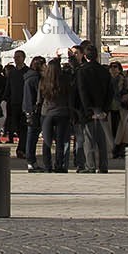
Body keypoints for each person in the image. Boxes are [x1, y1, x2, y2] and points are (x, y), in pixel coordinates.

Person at [74, 42, 111, 174]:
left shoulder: (82, 71)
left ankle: (90, 166)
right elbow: (110, 92)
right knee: (102, 140)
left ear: (85, 56)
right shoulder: (104, 71)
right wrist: (106, 110)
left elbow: (82, 92)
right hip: (101, 109)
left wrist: (87, 110)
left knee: (88, 139)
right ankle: (103, 165)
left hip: (88, 109)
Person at [39, 58, 74, 173]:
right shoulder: (65, 80)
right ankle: (59, 165)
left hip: (47, 112)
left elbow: (39, 99)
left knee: (47, 141)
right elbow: (69, 97)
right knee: (60, 141)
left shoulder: (43, 81)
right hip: (62, 112)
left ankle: (47, 165)